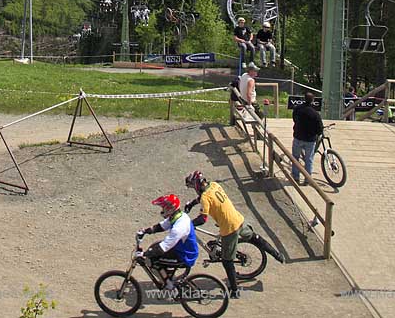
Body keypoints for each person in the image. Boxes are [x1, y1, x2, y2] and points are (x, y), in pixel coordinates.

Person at [185, 170, 283, 299]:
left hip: (229, 228)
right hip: (237, 218)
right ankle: (277, 254)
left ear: (197, 185)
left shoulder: (205, 198)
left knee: (227, 261)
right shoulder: (214, 185)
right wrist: (192, 203)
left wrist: (188, 225)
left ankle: (234, 290)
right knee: (254, 237)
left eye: (193, 186)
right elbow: (206, 196)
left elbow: (203, 219)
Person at [136, 194, 199, 284]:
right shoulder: (177, 216)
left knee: (152, 260)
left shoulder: (180, 226)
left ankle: (169, 286)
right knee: (154, 248)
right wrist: (145, 231)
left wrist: (144, 254)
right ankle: (169, 277)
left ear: (170, 208)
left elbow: (163, 247)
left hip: (185, 256)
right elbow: (161, 226)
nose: (162, 211)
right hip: (182, 249)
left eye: (163, 208)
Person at [291, 92, 323, 184]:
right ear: (313, 101)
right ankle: (307, 179)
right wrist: (317, 133)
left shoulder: (297, 109)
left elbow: (294, 119)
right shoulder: (315, 114)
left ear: (304, 98)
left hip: (298, 136)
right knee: (309, 160)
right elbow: (319, 129)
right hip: (310, 140)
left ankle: (295, 177)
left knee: (295, 158)